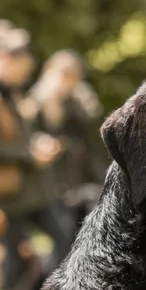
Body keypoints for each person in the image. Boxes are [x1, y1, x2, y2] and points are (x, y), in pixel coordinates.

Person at [0, 28, 76, 290]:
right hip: (6, 192)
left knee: (65, 236)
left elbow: (20, 135)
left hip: (32, 190)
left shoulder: (14, 94)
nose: (24, 74)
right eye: (21, 67)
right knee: (11, 257)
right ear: (4, 59)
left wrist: (38, 143)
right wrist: (30, 154)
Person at [30, 50, 109, 222]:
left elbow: (92, 124)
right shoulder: (37, 99)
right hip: (51, 175)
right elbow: (34, 132)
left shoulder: (78, 98)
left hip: (80, 172)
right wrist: (52, 100)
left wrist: (82, 97)